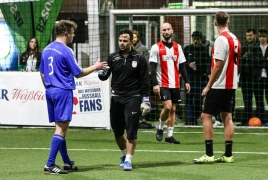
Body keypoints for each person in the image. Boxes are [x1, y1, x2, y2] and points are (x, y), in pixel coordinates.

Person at [40, 20, 108, 174]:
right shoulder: (66, 50)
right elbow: (78, 73)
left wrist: (50, 88)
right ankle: (49, 165)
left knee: (60, 128)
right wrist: (96, 67)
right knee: (61, 129)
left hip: (50, 91)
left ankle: (66, 162)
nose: (73, 35)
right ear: (66, 33)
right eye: (72, 33)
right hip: (62, 91)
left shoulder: (46, 50)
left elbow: (42, 73)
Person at [98, 28, 150, 171]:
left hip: (133, 98)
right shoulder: (112, 57)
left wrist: (145, 99)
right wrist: (101, 72)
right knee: (117, 132)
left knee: (131, 132)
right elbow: (104, 76)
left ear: (131, 41)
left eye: (125, 41)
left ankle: (128, 160)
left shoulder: (139, 58)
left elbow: (145, 81)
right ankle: (123, 154)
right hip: (116, 99)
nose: (121, 43)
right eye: (120, 40)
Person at [193, 11, 241, 163]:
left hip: (219, 84)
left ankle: (209, 154)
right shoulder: (235, 38)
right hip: (231, 84)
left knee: (206, 115)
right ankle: (228, 155)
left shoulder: (221, 39)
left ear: (215, 23)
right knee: (227, 116)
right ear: (228, 22)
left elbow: (218, 65)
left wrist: (208, 85)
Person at [150, 22, 190, 144]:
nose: (166, 32)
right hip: (163, 83)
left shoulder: (178, 47)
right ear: (161, 32)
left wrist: (186, 81)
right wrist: (155, 84)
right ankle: (161, 126)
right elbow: (152, 67)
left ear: (172, 31)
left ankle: (169, 136)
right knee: (167, 107)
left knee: (173, 110)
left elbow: (182, 66)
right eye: (164, 30)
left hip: (175, 84)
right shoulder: (156, 47)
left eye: (168, 29)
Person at [238, 28, 265, 126]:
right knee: (247, 100)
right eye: (247, 35)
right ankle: (246, 120)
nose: (249, 37)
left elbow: (261, 61)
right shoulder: (243, 47)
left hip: (256, 78)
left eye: (250, 35)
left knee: (259, 100)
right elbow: (239, 61)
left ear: (255, 36)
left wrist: (250, 58)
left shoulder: (259, 47)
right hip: (245, 78)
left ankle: (262, 120)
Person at [183, 31, 210, 125]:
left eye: (197, 39)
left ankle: (195, 118)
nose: (196, 40)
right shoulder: (187, 49)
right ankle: (188, 119)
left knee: (199, 99)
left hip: (200, 79)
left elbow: (208, 63)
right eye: (194, 38)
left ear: (200, 39)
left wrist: (207, 74)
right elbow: (181, 63)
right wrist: (188, 65)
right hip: (189, 79)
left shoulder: (204, 50)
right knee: (189, 98)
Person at [132, 30, 151, 126]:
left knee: (142, 97)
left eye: (135, 37)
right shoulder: (127, 48)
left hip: (141, 77)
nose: (134, 39)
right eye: (132, 37)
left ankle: (143, 118)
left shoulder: (143, 49)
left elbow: (147, 62)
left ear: (138, 38)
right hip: (130, 79)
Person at [258, 28, 268, 126]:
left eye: (264, 37)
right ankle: (262, 119)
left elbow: (259, 61)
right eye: (260, 37)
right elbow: (255, 62)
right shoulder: (255, 48)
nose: (262, 39)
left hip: (267, 76)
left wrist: (261, 61)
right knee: (259, 99)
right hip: (259, 77)